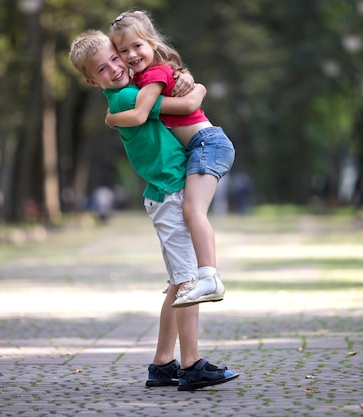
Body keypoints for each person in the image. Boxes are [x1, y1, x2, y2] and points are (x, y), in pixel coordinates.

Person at [68, 30, 239, 391]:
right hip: (171, 192)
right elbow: (187, 105)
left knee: (180, 282)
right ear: (90, 79)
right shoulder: (130, 96)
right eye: (102, 68)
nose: (115, 67)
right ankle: (191, 365)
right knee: (190, 283)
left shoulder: (125, 96)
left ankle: (162, 364)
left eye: (116, 58)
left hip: (165, 192)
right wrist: (199, 90)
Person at [107, 11, 236, 308]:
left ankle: (208, 276)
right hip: (202, 146)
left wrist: (112, 119)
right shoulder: (147, 77)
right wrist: (192, 81)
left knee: (192, 210)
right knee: (193, 211)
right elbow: (186, 89)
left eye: (137, 46)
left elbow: (141, 113)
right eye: (122, 51)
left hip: (207, 144)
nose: (131, 54)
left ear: (152, 43)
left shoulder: (151, 77)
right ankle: (206, 276)